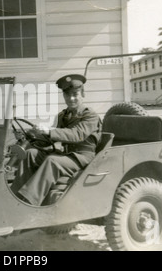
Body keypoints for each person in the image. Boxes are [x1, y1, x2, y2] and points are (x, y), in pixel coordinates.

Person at [10, 74, 102, 206]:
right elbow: (53, 139)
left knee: (52, 160)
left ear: (83, 94)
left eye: (75, 94)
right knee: (30, 154)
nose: (71, 98)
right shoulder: (62, 115)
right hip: (66, 155)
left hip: (82, 157)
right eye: (67, 95)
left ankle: (30, 202)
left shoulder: (90, 115)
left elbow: (76, 135)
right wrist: (34, 135)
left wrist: (49, 131)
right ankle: (15, 196)